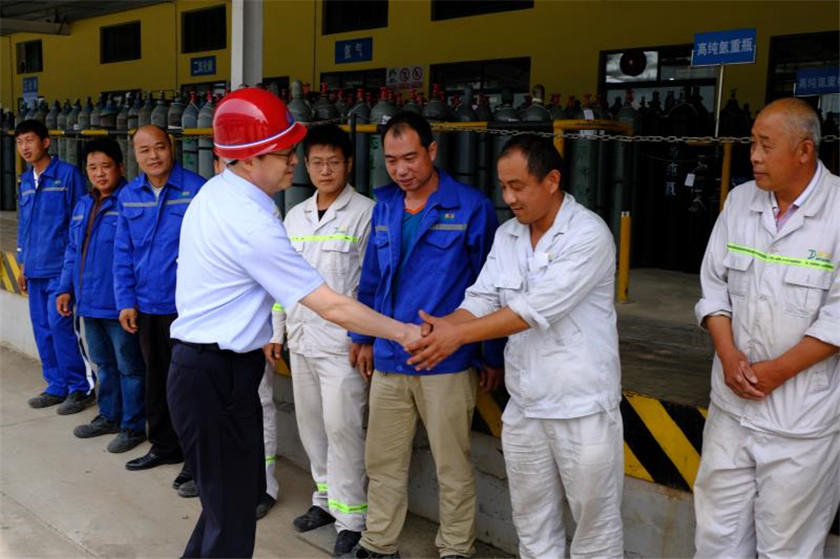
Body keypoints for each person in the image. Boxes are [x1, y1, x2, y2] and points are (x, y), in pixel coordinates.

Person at [167, 88, 421, 559]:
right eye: (284, 152)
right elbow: (331, 304)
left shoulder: (220, 192)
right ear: (249, 159)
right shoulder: (249, 221)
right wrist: (406, 333)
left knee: (228, 508)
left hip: (214, 371)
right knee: (230, 517)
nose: (294, 162)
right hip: (214, 375)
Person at [407, 134, 625, 558]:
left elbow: (532, 310)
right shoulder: (508, 235)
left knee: (595, 530)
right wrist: (443, 326)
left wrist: (457, 336)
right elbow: (482, 297)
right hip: (525, 405)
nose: (508, 198)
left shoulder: (587, 234)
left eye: (518, 186)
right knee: (532, 522)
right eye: (503, 186)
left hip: (580, 407)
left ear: (552, 181)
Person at [346, 112, 503, 559]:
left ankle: (455, 548)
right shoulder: (385, 207)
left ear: (432, 151)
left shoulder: (471, 207)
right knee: (383, 461)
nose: (401, 169)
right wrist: (362, 337)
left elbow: (490, 287)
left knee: (451, 465)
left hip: (445, 360)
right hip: (390, 356)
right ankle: (378, 542)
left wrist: (490, 354)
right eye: (391, 160)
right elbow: (371, 279)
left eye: (410, 157)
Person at [693, 97, 839, 556]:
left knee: (787, 548)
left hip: (800, 420)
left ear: (804, 150)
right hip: (731, 408)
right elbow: (713, 287)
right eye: (752, 143)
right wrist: (727, 353)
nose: (753, 155)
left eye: (765, 145)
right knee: (716, 540)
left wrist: (776, 372)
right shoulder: (740, 202)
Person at [264, 123, 374, 555]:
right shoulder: (296, 215)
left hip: (343, 344)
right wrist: (276, 330)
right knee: (311, 426)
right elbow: (281, 280)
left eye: (333, 162)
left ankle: (353, 518)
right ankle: (325, 500)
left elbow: (369, 285)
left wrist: (364, 337)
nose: (325, 170)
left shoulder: (365, 213)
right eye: (317, 162)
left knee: (343, 428)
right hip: (302, 339)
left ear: (349, 164)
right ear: (305, 166)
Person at [113, 125, 205, 494]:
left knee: (190, 387)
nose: (153, 156)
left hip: (187, 308)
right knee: (156, 379)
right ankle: (164, 446)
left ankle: (194, 461)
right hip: (146, 305)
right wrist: (126, 300)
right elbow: (123, 251)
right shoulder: (129, 195)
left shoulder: (196, 190)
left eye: (159, 147)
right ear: (135, 155)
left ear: (172, 147)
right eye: (144, 150)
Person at [57, 138, 147, 453]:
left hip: (118, 305)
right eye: (92, 168)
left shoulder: (130, 202)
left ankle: (133, 426)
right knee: (103, 364)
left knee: (129, 367)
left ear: (120, 167)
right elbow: (73, 250)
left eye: (105, 166)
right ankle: (109, 416)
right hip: (88, 303)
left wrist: (129, 301)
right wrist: (65, 288)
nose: (99, 173)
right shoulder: (83, 205)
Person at [14, 119, 94, 415]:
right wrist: (23, 263)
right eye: (19, 142)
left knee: (61, 328)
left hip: (60, 269)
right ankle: (56, 385)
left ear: (45, 142)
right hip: (34, 269)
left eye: (30, 140)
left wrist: (73, 271)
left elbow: (79, 222)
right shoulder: (25, 181)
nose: (24, 147)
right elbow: (24, 225)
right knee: (43, 330)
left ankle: (80, 388)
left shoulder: (67, 175)